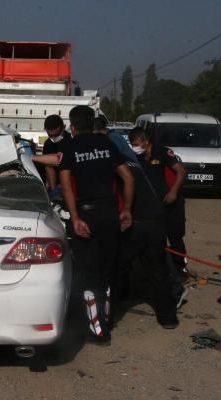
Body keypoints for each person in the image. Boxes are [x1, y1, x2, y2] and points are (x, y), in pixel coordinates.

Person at [59, 106, 134, 345]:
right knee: (107, 270)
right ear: (93, 124)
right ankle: (105, 319)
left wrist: (75, 217)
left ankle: (98, 330)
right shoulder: (108, 144)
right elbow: (128, 178)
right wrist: (126, 210)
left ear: (72, 126)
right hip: (110, 214)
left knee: (88, 274)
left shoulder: (68, 148)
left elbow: (67, 187)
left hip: (86, 215)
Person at [129, 127, 188, 278]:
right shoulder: (138, 158)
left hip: (172, 201)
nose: (134, 147)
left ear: (145, 141)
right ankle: (159, 269)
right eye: (132, 144)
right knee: (157, 237)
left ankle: (180, 268)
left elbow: (181, 171)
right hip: (156, 205)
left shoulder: (162, 152)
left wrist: (173, 192)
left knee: (175, 236)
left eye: (136, 143)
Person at [42, 114, 72, 198]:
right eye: (50, 135)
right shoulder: (48, 144)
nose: (54, 138)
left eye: (57, 134)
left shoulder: (71, 141)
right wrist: (53, 188)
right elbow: (48, 166)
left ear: (64, 128)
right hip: (56, 185)